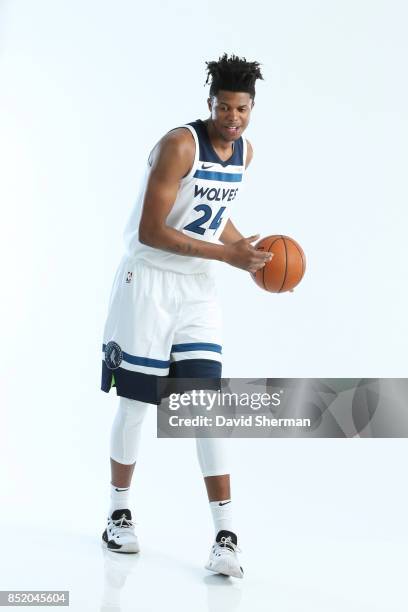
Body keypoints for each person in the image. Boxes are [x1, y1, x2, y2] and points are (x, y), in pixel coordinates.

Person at [100, 53, 270, 579]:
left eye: (242, 109)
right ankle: (118, 514)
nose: (233, 118)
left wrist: (251, 254)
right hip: (148, 281)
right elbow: (152, 229)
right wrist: (227, 256)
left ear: (251, 108)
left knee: (203, 409)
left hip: (196, 291)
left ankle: (225, 535)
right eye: (224, 107)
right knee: (137, 403)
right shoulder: (179, 145)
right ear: (210, 103)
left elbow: (210, 215)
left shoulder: (244, 153)